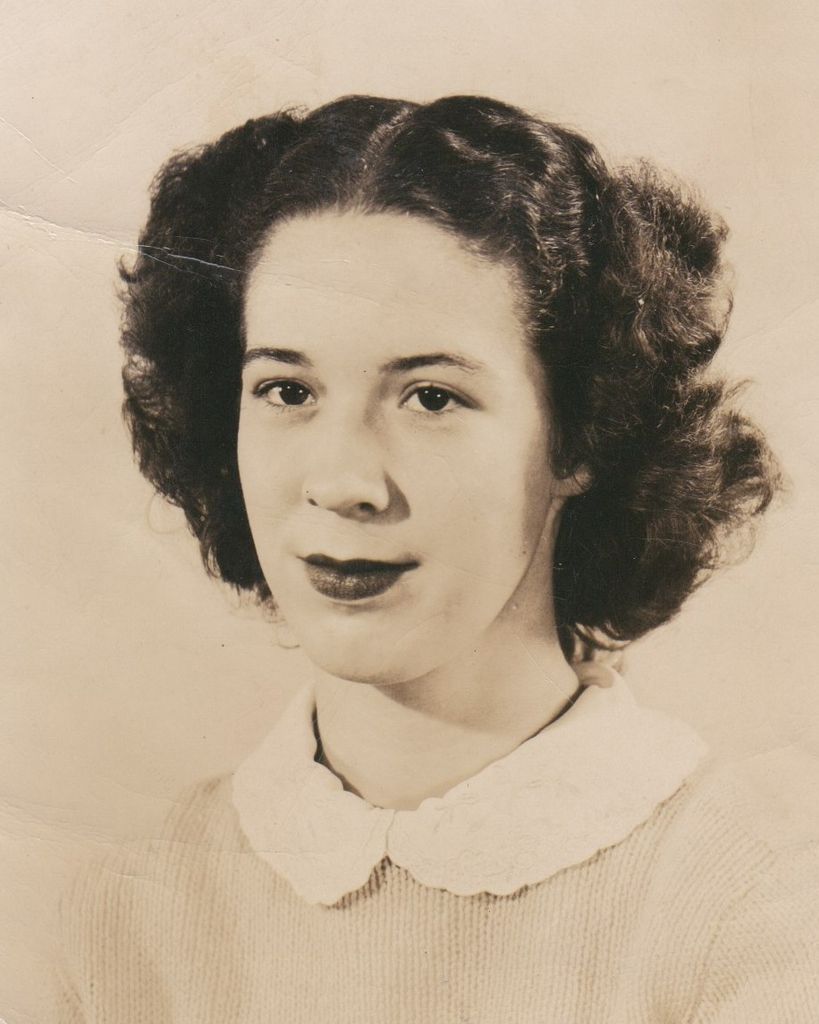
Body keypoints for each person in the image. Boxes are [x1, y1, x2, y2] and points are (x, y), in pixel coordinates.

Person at [55, 95, 818, 1022]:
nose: (343, 482)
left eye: (430, 397)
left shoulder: (753, 906)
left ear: (580, 436)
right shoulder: (130, 915)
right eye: (287, 390)